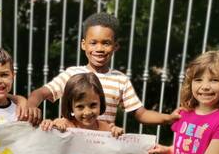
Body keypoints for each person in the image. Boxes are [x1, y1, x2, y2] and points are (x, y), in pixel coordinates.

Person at [28, 12, 179, 126]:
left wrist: (168, 118)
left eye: (106, 43)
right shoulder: (71, 74)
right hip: (69, 146)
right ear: (83, 45)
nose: (99, 49)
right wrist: (30, 106)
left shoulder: (120, 80)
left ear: (115, 46)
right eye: (93, 43)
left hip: (102, 150)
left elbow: (141, 114)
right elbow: (40, 93)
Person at [39, 72, 123, 137]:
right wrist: (49, 126)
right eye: (80, 106)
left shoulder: (106, 129)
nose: (87, 112)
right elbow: (49, 143)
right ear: (70, 107)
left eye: (93, 105)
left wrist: (117, 134)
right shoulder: (62, 125)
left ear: (100, 103)